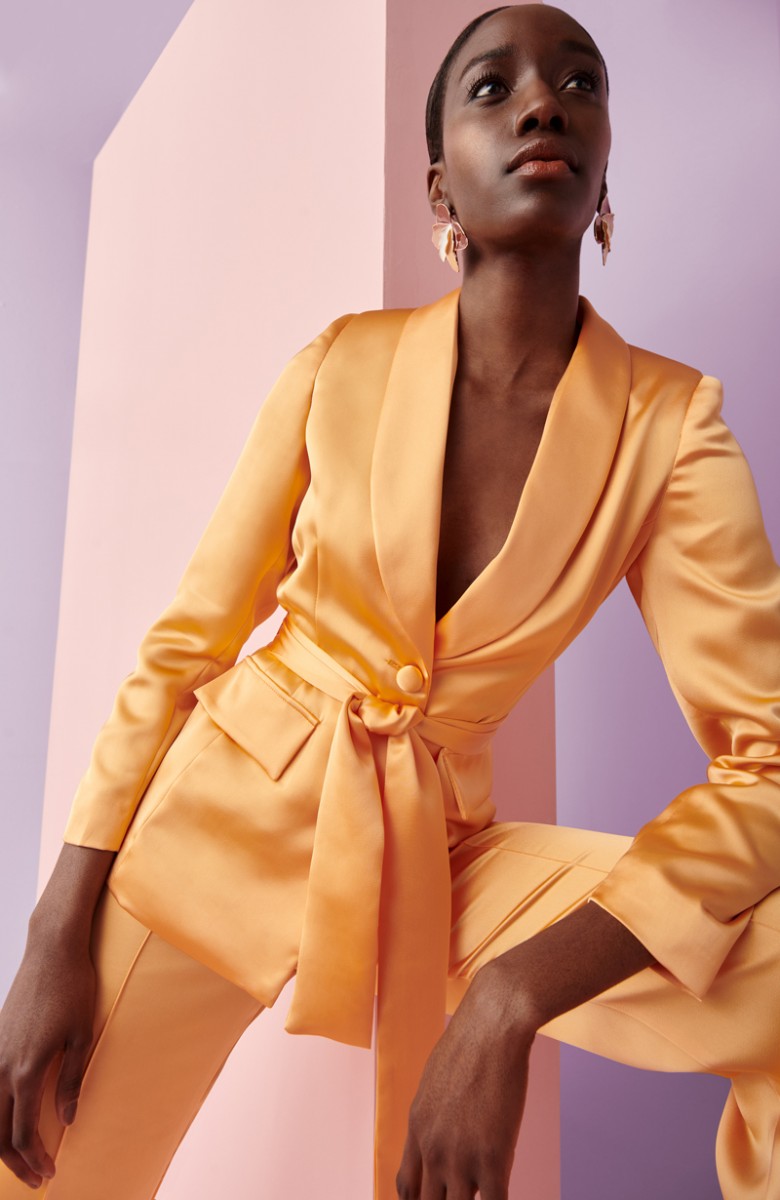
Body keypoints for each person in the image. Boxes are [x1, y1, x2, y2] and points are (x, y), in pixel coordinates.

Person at [1, 4, 779, 1198]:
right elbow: (185, 645)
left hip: (436, 862)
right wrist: (56, 929)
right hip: (212, 835)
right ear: (439, 189)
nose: (542, 103)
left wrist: (517, 992)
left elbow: (767, 759)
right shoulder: (341, 363)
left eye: (579, 82)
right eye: (492, 88)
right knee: (39, 1177)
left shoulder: (672, 425)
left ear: (604, 168)